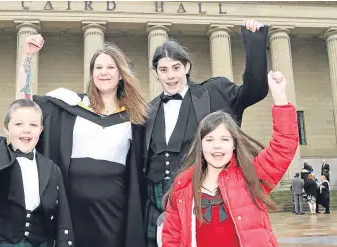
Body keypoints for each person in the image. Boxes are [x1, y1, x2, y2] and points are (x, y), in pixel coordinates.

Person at [144, 19, 270, 246]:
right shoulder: (148, 111)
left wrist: (255, 41)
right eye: (163, 70)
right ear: (156, 72)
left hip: (203, 205)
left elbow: (255, 90)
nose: (170, 76)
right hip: (156, 211)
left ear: (187, 67)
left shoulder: (215, 92)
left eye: (176, 68)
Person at [16, 35, 148, 247]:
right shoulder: (71, 106)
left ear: (121, 74)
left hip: (114, 211)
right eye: (98, 67)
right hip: (70, 207)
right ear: (91, 73)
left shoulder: (136, 118)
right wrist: (27, 58)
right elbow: (24, 102)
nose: (103, 72)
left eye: (110, 67)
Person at [161, 71, 298, 247]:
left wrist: (280, 96)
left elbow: (283, 146)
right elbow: (171, 239)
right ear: (200, 146)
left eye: (224, 139)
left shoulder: (250, 176)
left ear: (234, 144)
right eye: (209, 140)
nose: (217, 146)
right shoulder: (182, 188)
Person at [0, 43, 74, 246]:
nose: (26, 129)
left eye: (33, 125)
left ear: (40, 130)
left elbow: (62, 214)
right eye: (19, 124)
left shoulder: (51, 167)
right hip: (5, 241)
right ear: (6, 128)